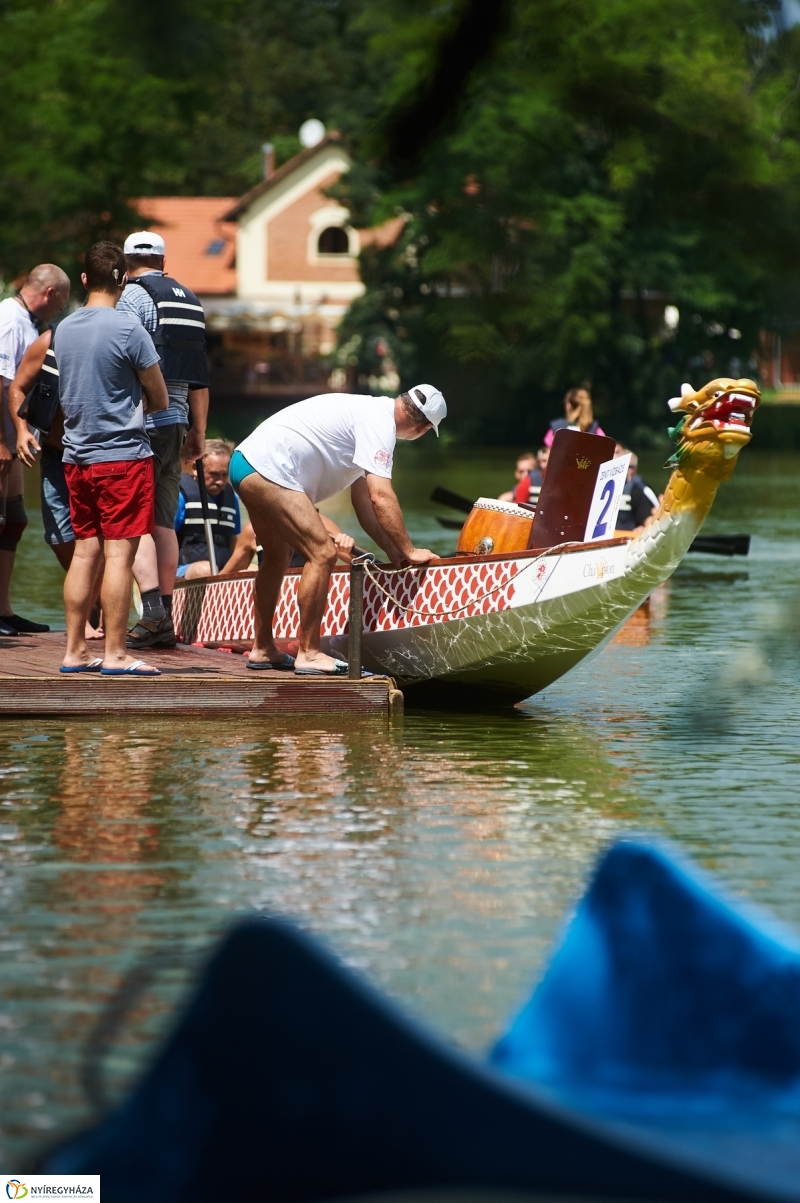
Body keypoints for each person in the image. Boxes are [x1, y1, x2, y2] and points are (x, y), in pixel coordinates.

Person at [230, 385, 445, 674]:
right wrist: (410, 550)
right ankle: (309, 652)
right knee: (322, 552)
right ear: (421, 429)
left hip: (244, 462)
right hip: (269, 467)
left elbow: (363, 503)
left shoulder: (370, 412)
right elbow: (380, 496)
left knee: (277, 557)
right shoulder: (380, 425)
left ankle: (263, 648)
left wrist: (394, 552)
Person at [54, 241, 169, 675]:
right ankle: (117, 654)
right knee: (119, 556)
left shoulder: (63, 329)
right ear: (123, 279)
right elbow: (159, 398)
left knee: (85, 553)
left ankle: (74, 651)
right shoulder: (128, 329)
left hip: (76, 458)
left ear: (84, 279)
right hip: (123, 458)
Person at [116, 231, 209, 650]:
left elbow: (123, 357)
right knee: (162, 521)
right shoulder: (190, 299)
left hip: (143, 421)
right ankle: (166, 616)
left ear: (126, 262)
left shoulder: (134, 298)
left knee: (133, 520)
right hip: (178, 422)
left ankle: (151, 614)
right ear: (163, 259)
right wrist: (199, 432)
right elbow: (199, 377)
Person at [9, 330, 103, 638]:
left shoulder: (113, 339)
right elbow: (18, 387)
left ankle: (94, 618)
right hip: (55, 451)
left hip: (101, 454)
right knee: (59, 534)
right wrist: (22, 432)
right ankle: (91, 606)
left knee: (100, 538)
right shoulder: (51, 340)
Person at [0, 263, 70, 635]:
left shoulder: (31, 325)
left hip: (15, 442)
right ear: (50, 293)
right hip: (3, 441)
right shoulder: (10, 320)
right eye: (63, 300)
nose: (62, 309)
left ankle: (5, 609)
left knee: (15, 520)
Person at [176, 440, 242, 579]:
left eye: (224, 475)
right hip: (182, 571)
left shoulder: (231, 497)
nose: (220, 481)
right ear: (195, 468)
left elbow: (233, 539)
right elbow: (162, 537)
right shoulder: (180, 495)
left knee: (251, 572)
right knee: (206, 570)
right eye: (214, 474)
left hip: (222, 570)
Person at [614, 447, 660, 533]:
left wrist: (644, 529)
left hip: (627, 539)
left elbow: (649, 519)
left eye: (630, 467)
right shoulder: (598, 487)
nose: (626, 470)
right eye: (623, 466)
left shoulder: (637, 489)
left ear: (636, 469)